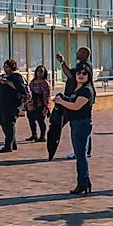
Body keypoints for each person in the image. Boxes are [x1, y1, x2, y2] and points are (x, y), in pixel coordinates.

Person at [53, 61, 95, 194]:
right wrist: (63, 97)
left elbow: (76, 106)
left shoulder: (87, 90)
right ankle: (84, 181)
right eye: (78, 73)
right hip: (75, 123)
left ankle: (83, 182)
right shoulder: (76, 89)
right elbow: (71, 101)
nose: (81, 75)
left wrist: (61, 102)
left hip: (82, 124)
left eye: (84, 73)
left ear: (89, 76)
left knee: (81, 155)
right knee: (79, 154)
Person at [56, 47, 93, 159]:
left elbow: (70, 75)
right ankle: (84, 151)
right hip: (77, 97)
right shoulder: (81, 64)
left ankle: (81, 151)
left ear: (84, 54)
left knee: (80, 124)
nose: (76, 53)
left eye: (79, 52)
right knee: (83, 126)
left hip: (80, 98)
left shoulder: (84, 66)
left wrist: (62, 62)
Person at [0, 59, 26, 153]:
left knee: (9, 124)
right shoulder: (1, 76)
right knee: (2, 123)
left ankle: (8, 146)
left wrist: (8, 83)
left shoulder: (17, 77)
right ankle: (12, 143)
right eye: (4, 67)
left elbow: (21, 89)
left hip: (11, 105)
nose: (5, 69)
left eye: (7, 67)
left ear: (12, 68)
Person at [24, 65, 52, 142]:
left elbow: (47, 95)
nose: (39, 73)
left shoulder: (45, 83)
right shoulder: (33, 81)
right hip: (32, 103)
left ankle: (42, 136)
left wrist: (46, 107)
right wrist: (27, 103)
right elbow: (28, 92)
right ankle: (34, 135)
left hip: (41, 104)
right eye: (38, 71)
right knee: (31, 120)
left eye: (41, 71)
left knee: (40, 121)